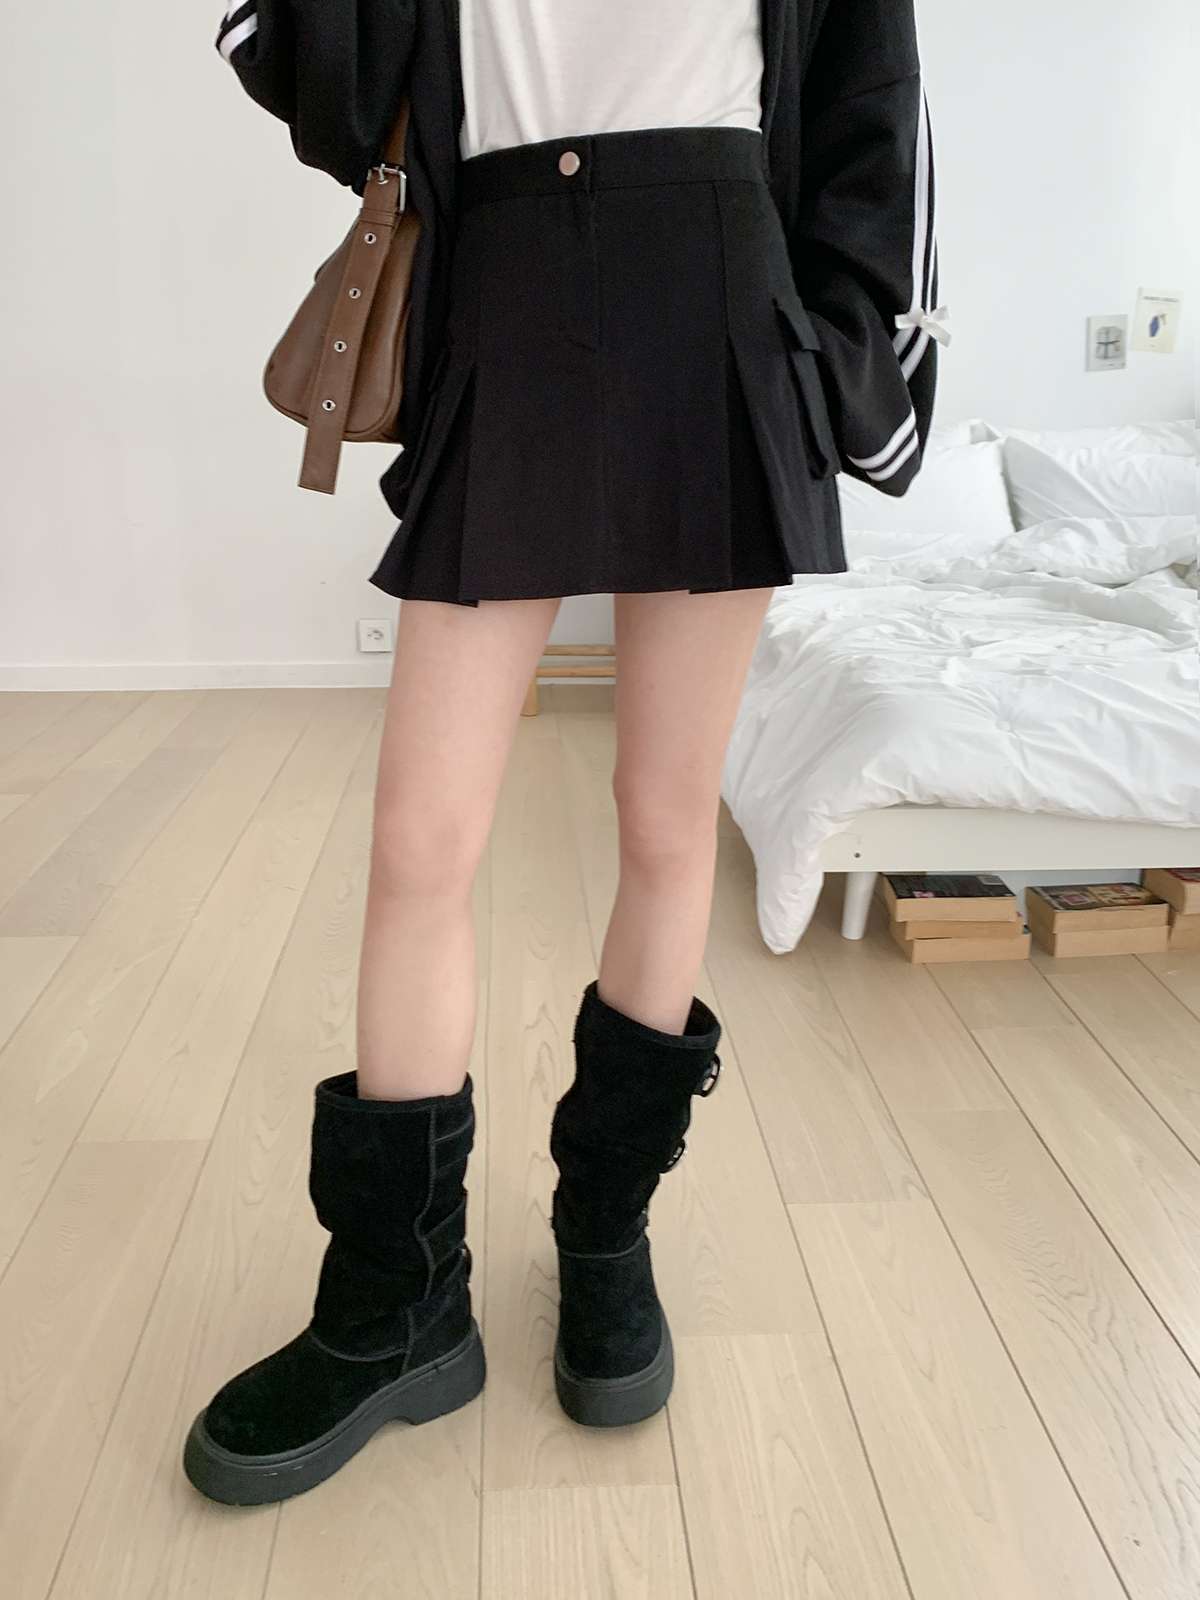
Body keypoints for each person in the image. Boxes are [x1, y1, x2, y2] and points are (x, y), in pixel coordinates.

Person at [185, 0, 940, 1505]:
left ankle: (605, 1234)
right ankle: (398, 1300)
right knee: (420, 840)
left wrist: (841, 364)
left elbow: (877, 107)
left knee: (665, 818)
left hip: (721, 294)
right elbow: (328, 74)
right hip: (508, 282)